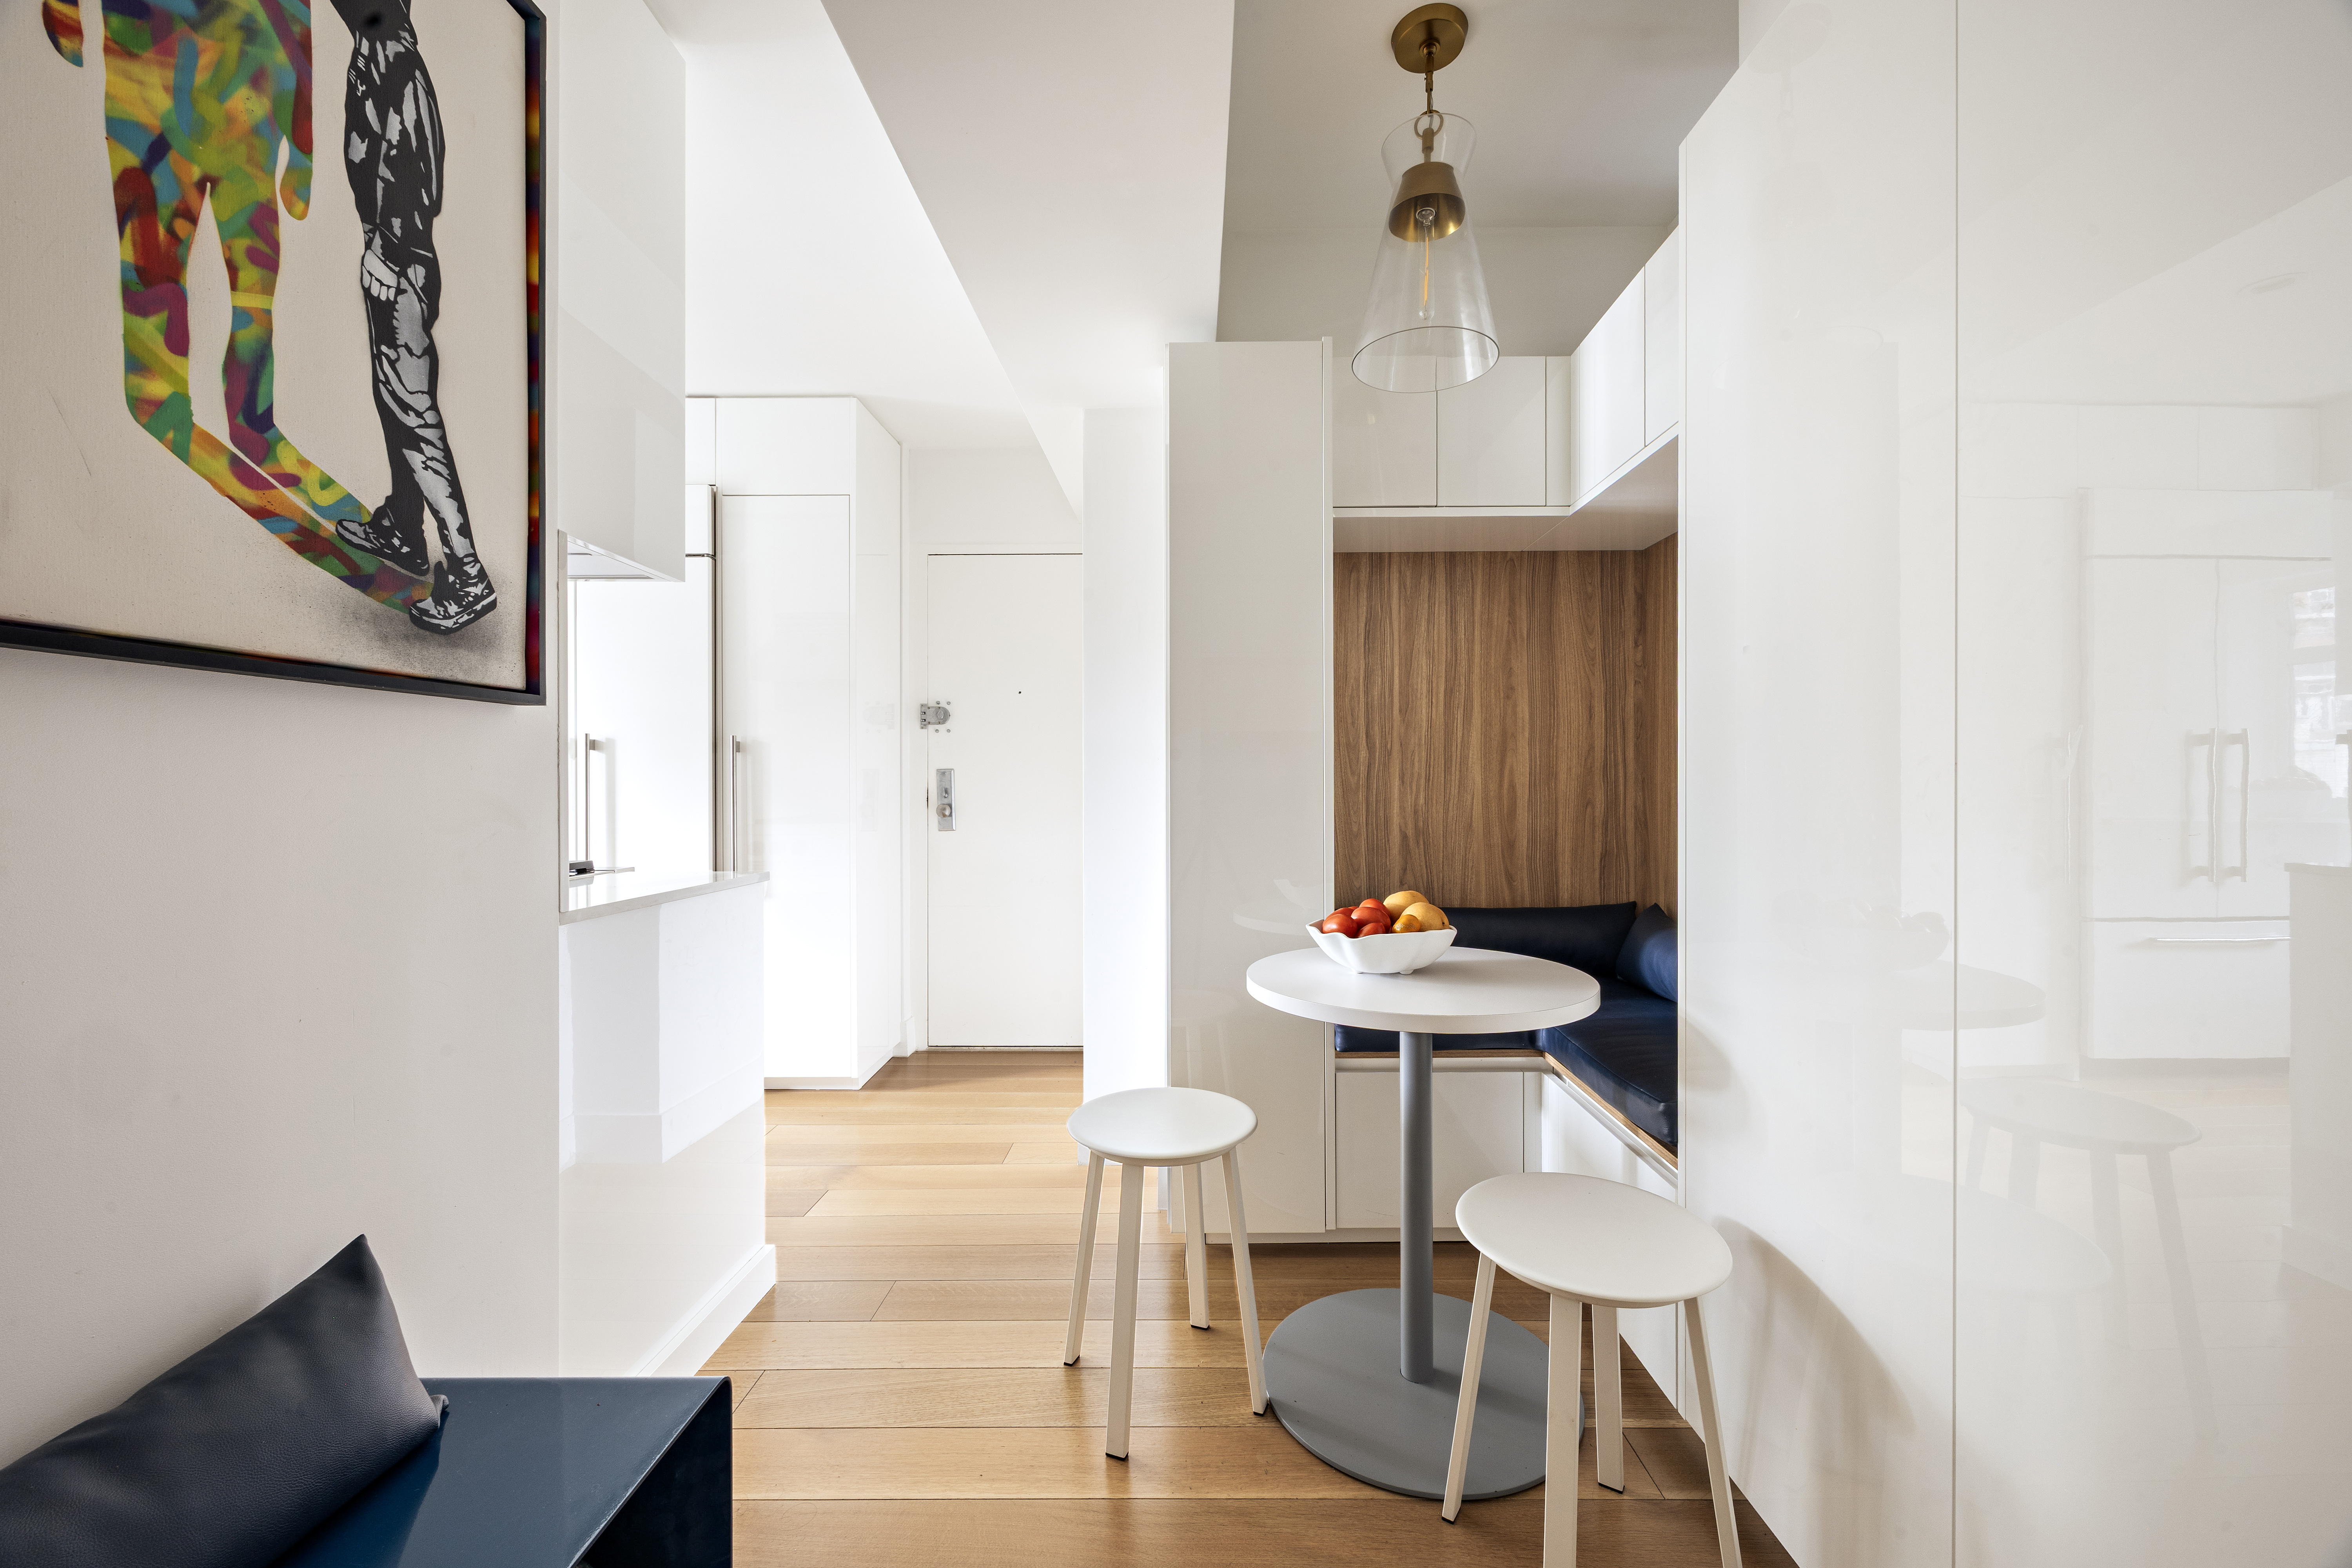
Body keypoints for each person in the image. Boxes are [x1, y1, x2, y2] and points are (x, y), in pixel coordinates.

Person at [41, 0, 426, 616]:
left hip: (237, 114)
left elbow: (296, 15)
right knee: (158, 381)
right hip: (157, 108)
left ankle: (261, 437)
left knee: (251, 308)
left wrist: (302, 147)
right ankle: (321, 530)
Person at [327, 0, 497, 634]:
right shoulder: (374, 59)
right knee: (393, 399)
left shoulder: (401, 69)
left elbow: (419, 178)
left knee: (414, 415)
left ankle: (468, 572)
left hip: (401, 264)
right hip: (391, 258)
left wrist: (388, 249)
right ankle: (404, 525)